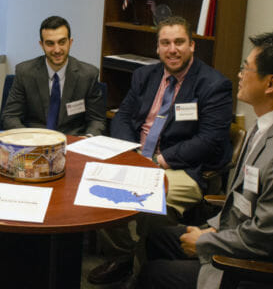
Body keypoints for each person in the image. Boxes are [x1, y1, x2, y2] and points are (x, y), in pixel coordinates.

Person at [137, 31, 273, 289]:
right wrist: (214, 231)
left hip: (265, 269)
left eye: (246, 68)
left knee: (153, 274)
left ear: (270, 83)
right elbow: (242, 204)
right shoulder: (270, 123)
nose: (239, 75)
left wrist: (205, 241)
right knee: (157, 237)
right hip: (238, 236)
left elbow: (264, 240)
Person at [88, 16, 233, 285]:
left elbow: (210, 139)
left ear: (192, 45)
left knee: (152, 203)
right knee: (97, 191)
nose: (172, 49)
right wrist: (130, 153)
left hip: (182, 167)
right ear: (157, 48)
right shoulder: (145, 76)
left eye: (179, 42)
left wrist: (160, 160)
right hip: (138, 157)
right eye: (165, 43)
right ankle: (125, 257)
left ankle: (144, 275)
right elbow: (122, 116)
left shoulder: (213, 84)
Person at [0, 15, 106, 136]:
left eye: (62, 42)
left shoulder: (88, 75)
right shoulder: (25, 73)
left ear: (70, 42)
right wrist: (28, 138)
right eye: (50, 43)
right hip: (35, 140)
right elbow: (10, 116)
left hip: (73, 141)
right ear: (42, 45)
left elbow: (97, 120)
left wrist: (87, 139)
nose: (57, 50)